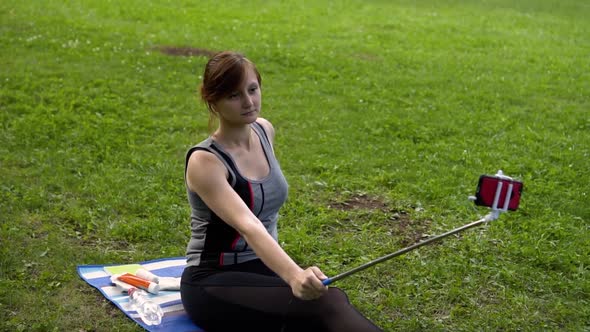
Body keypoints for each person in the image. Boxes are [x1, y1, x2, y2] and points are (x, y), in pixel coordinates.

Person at [180, 51, 382, 332]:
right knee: (328, 305)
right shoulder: (205, 161)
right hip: (213, 279)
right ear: (212, 100)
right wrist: (294, 274)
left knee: (324, 306)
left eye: (253, 89)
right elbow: (248, 225)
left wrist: (292, 275)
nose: (249, 102)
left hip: (262, 268)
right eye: (234, 95)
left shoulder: (264, 131)